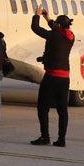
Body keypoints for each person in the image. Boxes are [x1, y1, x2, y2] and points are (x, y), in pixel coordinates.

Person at [30, 8, 74, 147]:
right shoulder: (70, 36)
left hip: (51, 77)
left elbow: (35, 28)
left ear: (59, 25)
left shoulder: (53, 35)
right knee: (62, 110)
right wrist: (47, 18)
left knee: (42, 108)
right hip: (65, 78)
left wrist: (37, 16)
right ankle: (61, 139)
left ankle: (45, 137)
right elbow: (57, 28)